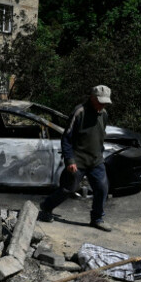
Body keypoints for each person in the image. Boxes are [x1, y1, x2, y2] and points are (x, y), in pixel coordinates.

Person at [39, 85, 112, 232]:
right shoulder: (80, 112)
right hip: (78, 160)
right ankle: (46, 207)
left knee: (102, 189)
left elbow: (100, 135)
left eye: (105, 102)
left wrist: (100, 153)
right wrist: (70, 160)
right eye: (100, 101)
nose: (102, 105)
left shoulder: (103, 113)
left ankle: (97, 218)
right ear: (92, 97)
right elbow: (66, 138)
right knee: (67, 189)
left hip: (96, 160)